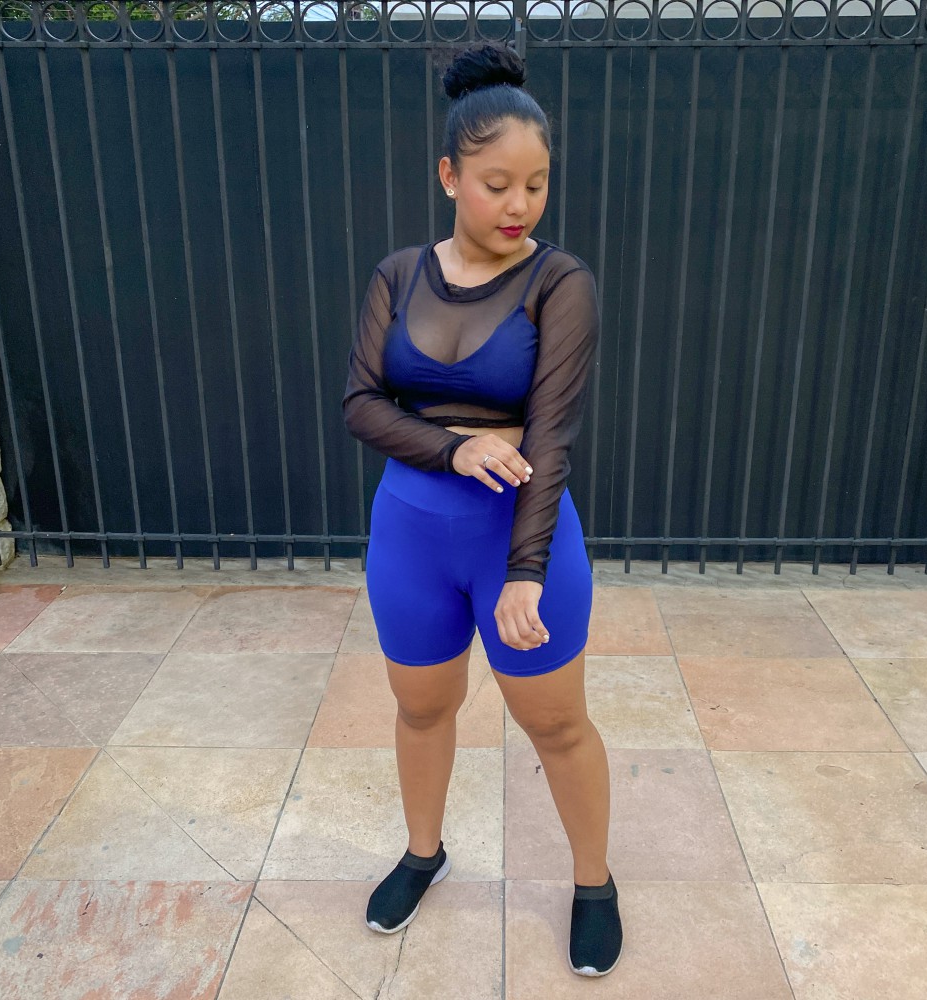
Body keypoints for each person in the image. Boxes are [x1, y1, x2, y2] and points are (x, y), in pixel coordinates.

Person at [342, 40, 622, 978]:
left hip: (516, 533)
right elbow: (361, 404)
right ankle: (423, 854)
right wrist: (455, 446)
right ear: (449, 176)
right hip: (410, 534)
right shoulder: (397, 275)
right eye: (498, 184)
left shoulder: (560, 282)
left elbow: (552, 435)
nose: (519, 205)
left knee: (556, 724)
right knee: (422, 708)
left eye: (536, 185)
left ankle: (594, 883)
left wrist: (525, 572)